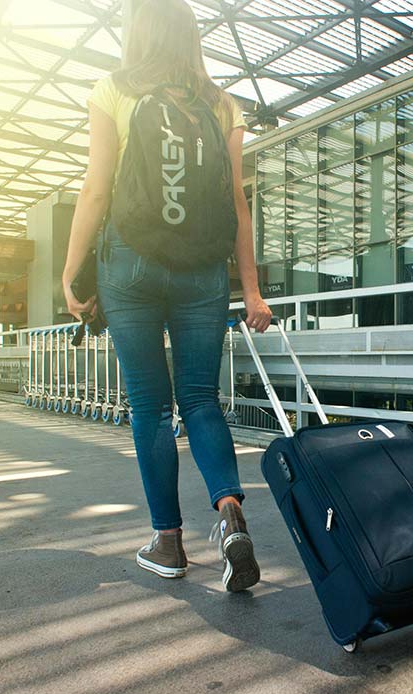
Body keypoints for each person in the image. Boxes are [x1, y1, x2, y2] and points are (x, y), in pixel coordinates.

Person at [62, 0, 272, 592]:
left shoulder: (114, 90)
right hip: (203, 273)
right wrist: (251, 290)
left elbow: (96, 189)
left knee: (151, 406)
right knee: (202, 400)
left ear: (137, 30)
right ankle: (230, 516)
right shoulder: (221, 103)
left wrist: (72, 270)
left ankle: (168, 541)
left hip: (129, 267)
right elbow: (237, 205)